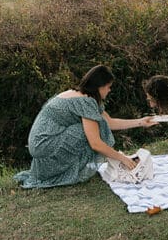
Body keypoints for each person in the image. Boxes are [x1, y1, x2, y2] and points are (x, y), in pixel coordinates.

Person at [14, 64, 155, 189]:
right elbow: (95, 143)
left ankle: (82, 167)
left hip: (41, 143)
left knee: (97, 126)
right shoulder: (85, 101)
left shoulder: (84, 96)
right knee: (88, 131)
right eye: (108, 87)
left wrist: (141, 122)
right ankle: (76, 171)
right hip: (44, 145)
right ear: (100, 86)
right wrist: (122, 158)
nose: (109, 90)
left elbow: (109, 122)